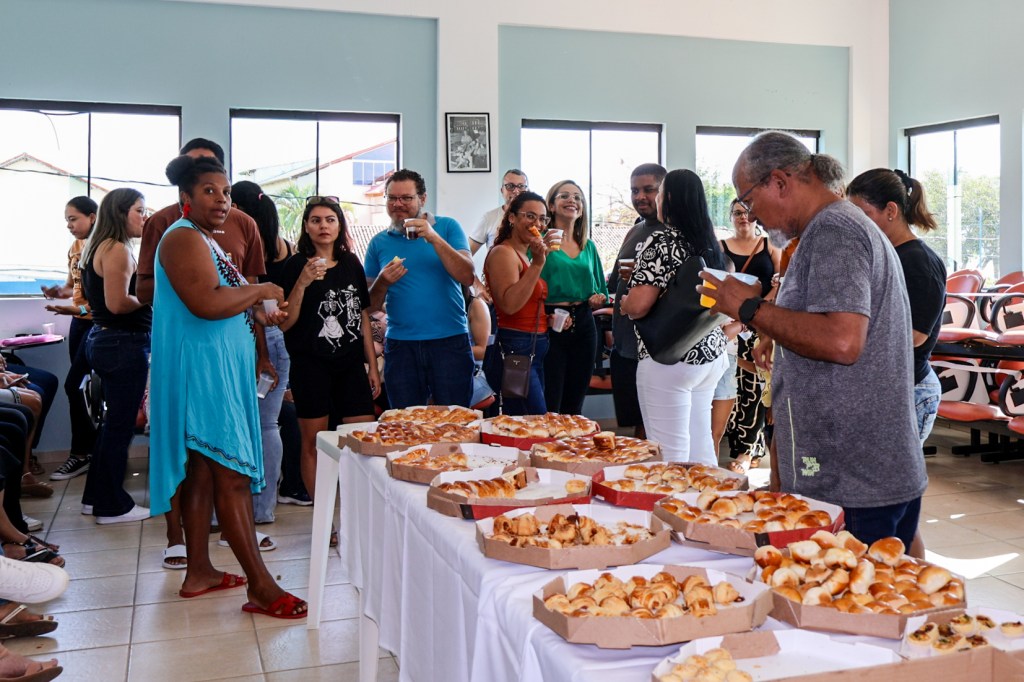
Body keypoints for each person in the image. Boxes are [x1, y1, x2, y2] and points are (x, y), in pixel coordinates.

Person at [706, 130, 927, 548]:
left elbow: (842, 342)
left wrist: (749, 309)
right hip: (857, 470)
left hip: (851, 479)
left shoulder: (834, 231)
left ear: (779, 182)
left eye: (748, 200)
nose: (751, 215)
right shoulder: (831, 228)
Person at [150, 154, 305, 619]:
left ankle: (199, 572)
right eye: (209, 191)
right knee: (232, 476)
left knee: (202, 473)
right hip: (205, 374)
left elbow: (227, 299)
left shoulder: (204, 240)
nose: (221, 200)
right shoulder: (181, 238)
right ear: (186, 198)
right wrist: (261, 291)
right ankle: (261, 586)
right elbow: (205, 302)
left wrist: (258, 310)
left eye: (226, 193)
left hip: (218, 368)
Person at [847, 167, 945, 558]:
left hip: (912, 390)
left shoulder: (918, 261)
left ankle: (914, 581)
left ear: (890, 211)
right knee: (899, 512)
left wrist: (849, 335)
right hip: (892, 388)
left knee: (898, 505)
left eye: (863, 214)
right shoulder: (887, 254)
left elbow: (916, 334)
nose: (858, 225)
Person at [620, 170, 729, 465]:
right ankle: (711, 494)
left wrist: (625, 302)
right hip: (709, 353)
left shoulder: (663, 240)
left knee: (669, 454)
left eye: (658, 192)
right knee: (701, 446)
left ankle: (675, 497)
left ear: (668, 198)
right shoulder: (711, 244)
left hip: (670, 356)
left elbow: (640, 305)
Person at [280, 196, 380, 506]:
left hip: (350, 364)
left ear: (339, 226)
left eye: (330, 219)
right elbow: (285, 322)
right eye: (316, 220)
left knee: (363, 440)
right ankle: (323, 516)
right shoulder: (296, 265)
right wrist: (303, 282)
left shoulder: (351, 262)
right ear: (306, 227)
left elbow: (362, 316)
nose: (323, 226)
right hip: (310, 364)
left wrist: (372, 365)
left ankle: (359, 511)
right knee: (315, 442)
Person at [364, 169, 476, 408]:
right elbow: (369, 306)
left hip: (450, 341)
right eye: (392, 198)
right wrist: (382, 282)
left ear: (422, 199)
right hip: (401, 345)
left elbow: (467, 276)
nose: (398, 204)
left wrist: (433, 237)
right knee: (405, 422)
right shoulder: (378, 243)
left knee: (455, 418)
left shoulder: (447, 227)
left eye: (406, 198)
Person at [79, 188, 151, 525]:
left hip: (106, 340)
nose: (144, 217)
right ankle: (111, 506)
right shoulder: (117, 249)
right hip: (122, 343)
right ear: (121, 213)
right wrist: (151, 297)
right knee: (120, 427)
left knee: (111, 425)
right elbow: (118, 303)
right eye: (139, 210)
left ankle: (94, 497)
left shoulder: (99, 246)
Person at [231, 181, 290, 526]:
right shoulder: (283, 246)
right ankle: (263, 509)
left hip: (252, 338)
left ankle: (234, 509)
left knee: (240, 425)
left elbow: (250, 303)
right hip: (278, 339)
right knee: (269, 425)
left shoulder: (240, 245)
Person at [41, 196, 99, 481]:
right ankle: (88, 452)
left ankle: (82, 453)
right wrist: (57, 293)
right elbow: (71, 288)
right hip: (78, 324)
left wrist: (77, 309)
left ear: (93, 217)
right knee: (80, 388)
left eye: (73, 219)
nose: (69, 225)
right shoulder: (76, 247)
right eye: (67, 220)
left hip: (97, 325)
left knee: (75, 386)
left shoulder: (105, 248)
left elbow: (104, 303)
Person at [607, 164, 667, 437]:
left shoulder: (675, 233)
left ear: (664, 191)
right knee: (637, 426)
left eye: (648, 189)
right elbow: (615, 281)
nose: (640, 196)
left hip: (656, 348)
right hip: (625, 344)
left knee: (655, 428)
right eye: (634, 191)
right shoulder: (634, 231)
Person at [722, 198, 781, 473]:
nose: (742, 217)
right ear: (730, 217)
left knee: (757, 386)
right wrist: (736, 316)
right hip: (731, 324)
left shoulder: (769, 245)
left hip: (763, 323)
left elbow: (781, 282)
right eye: (737, 213)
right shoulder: (721, 247)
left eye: (746, 212)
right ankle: (744, 448)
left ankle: (749, 451)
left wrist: (757, 310)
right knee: (734, 387)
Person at [541, 181, 609, 415]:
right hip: (550, 321)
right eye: (564, 196)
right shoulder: (540, 242)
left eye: (578, 197)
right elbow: (527, 284)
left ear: (582, 209)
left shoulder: (588, 246)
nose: (572, 200)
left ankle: (572, 439)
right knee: (551, 398)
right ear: (551, 206)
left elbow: (600, 291)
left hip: (584, 322)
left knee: (576, 398)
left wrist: (597, 298)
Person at [482, 191, 552, 414]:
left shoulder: (524, 255)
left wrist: (547, 318)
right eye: (530, 216)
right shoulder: (503, 253)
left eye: (542, 218)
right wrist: (538, 265)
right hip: (516, 346)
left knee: (526, 418)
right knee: (533, 419)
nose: (537, 224)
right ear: (512, 217)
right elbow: (509, 305)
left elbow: (527, 300)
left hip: (533, 344)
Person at [469, 169, 530, 255]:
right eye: (510, 186)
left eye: (521, 186)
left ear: (527, 190)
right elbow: (467, 254)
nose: (516, 191)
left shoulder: (536, 220)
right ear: (502, 190)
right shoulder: (489, 218)